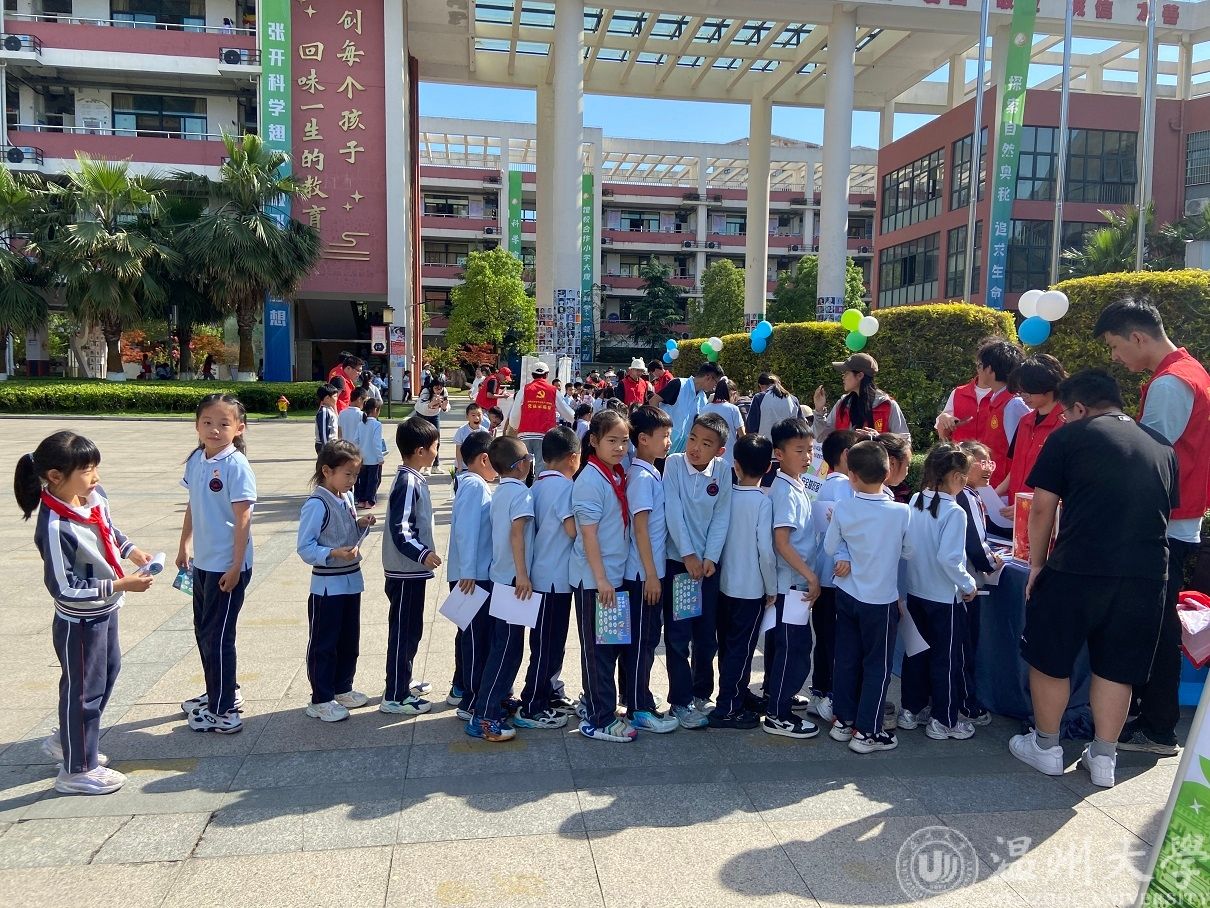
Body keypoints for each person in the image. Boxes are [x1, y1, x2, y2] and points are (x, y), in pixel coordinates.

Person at [1010, 369, 1178, 789]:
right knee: (1117, 667)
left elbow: (1043, 507)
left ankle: (1046, 746)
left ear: (1080, 408)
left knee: (1050, 658)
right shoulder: (1161, 446)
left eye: (1067, 413)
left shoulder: (1068, 437)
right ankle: (1104, 756)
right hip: (1146, 573)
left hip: (1077, 566)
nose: (1065, 419)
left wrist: (1036, 564)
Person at [1094, 298, 1210, 757]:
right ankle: (1153, 721)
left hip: (1163, 522)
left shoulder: (1171, 382)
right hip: (1177, 518)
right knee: (1157, 623)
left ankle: (1158, 728)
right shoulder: (1189, 372)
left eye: (1115, 345)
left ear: (1138, 336)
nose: (1115, 356)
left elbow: (1148, 460)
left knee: (1157, 627)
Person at [17, 431, 154, 795]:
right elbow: (65, 588)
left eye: (95, 467)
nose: (96, 477)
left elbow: (107, 528)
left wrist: (131, 550)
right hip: (79, 622)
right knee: (84, 692)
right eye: (87, 470)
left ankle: (68, 741)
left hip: (104, 610)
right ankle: (77, 770)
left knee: (107, 674)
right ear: (55, 476)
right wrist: (120, 584)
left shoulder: (92, 497)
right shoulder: (55, 526)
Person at [824, 440, 913, 753]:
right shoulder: (901, 511)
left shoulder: (844, 507)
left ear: (852, 476)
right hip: (880, 600)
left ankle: (842, 720)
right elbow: (909, 551)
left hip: (847, 593)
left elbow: (830, 546)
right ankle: (867, 731)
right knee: (878, 665)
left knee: (847, 659)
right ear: (888, 474)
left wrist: (846, 552)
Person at [176, 394, 257, 734]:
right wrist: (184, 544)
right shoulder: (197, 459)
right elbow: (193, 503)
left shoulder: (236, 465)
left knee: (218, 635)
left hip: (227, 565)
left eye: (224, 423)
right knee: (204, 630)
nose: (214, 429)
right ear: (197, 425)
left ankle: (224, 711)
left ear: (239, 428)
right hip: (204, 563)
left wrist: (236, 565)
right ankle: (219, 691)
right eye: (207, 422)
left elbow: (243, 518)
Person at [899, 444, 980, 740]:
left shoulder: (916, 500)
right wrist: (968, 584)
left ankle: (911, 710)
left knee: (916, 654)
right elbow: (949, 559)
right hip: (944, 599)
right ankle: (944, 720)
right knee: (946, 660)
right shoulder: (955, 511)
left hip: (916, 591)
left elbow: (908, 547)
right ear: (957, 477)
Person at [297, 440, 376, 722]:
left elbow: (344, 530)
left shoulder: (346, 497)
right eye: (348, 474)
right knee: (324, 643)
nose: (352, 480)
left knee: (348, 640)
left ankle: (342, 688)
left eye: (356, 474)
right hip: (327, 586)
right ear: (327, 471)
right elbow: (305, 547)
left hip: (350, 580)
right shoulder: (317, 504)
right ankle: (320, 698)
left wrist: (360, 525)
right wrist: (332, 553)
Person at [662, 412, 732, 727]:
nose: (695, 448)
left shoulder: (723, 471)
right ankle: (680, 701)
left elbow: (721, 516)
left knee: (706, 636)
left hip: (707, 568)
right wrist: (688, 555)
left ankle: (702, 693)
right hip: (680, 564)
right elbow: (673, 512)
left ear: (719, 450)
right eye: (693, 439)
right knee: (678, 636)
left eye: (705, 444)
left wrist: (710, 558)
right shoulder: (674, 465)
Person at [465, 436, 536, 743]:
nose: (531, 462)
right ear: (520, 466)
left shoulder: (501, 491)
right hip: (513, 582)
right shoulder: (521, 493)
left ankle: (492, 704)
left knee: (503, 647)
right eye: (528, 458)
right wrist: (523, 574)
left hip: (501, 578)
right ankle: (485, 715)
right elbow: (517, 535)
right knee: (507, 650)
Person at [572, 409, 637, 742]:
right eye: (612, 441)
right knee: (598, 651)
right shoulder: (590, 480)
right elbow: (589, 535)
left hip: (612, 576)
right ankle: (600, 718)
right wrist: (600, 580)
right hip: (596, 580)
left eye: (624, 441)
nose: (620, 448)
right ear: (594, 441)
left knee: (609, 646)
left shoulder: (614, 473)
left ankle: (598, 704)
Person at [760, 418, 824, 739]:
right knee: (794, 649)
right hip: (791, 585)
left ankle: (775, 696)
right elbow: (782, 542)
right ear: (779, 453)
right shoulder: (784, 490)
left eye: (809, 449)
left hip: (792, 584)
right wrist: (811, 576)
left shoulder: (794, 485)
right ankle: (778, 714)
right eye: (799, 450)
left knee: (784, 646)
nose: (807, 456)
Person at [709, 433, 777, 730]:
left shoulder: (727, 497)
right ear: (768, 467)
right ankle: (729, 706)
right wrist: (772, 587)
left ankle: (734, 694)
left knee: (727, 645)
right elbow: (766, 552)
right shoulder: (763, 502)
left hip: (723, 585)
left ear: (735, 465)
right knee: (743, 648)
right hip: (751, 589)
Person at [517, 427, 581, 727]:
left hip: (540, 575)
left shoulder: (537, 484)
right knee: (548, 644)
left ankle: (552, 691)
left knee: (546, 641)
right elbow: (572, 530)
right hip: (554, 579)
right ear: (573, 458)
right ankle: (533, 704)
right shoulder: (565, 488)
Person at [620, 406, 679, 734]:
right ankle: (638, 708)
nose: (669, 441)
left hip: (646, 572)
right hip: (643, 575)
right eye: (664, 436)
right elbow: (640, 529)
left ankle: (637, 697)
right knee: (642, 642)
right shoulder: (642, 478)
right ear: (643, 439)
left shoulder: (648, 472)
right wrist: (652, 575)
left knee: (643, 640)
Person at [380, 417, 442, 717]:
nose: (437, 451)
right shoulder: (407, 482)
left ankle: (402, 681)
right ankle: (395, 695)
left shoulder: (414, 478)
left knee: (411, 630)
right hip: (405, 572)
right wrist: (422, 554)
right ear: (420, 451)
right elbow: (401, 529)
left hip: (411, 572)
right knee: (404, 632)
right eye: (435, 446)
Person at [807, 428, 860, 724]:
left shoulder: (825, 483)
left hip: (823, 572)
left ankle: (820, 691)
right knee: (837, 641)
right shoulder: (843, 486)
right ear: (846, 455)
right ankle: (831, 696)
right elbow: (846, 528)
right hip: (837, 575)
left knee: (825, 637)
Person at [445, 431, 496, 714]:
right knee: (476, 638)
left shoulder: (470, 483)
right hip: (472, 577)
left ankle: (462, 687)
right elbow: (466, 531)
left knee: (469, 634)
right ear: (484, 459)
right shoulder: (475, 485)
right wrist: (468, 572)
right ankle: (472, 700)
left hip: (470, 573)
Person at [935, 337, 1028, 488]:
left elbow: (1021, 456)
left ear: (989, 369)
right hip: (987, 486)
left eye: (980, 365)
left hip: (1002, 490)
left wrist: (1000, 491)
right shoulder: (998, 401)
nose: (977, 370)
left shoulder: (1013, 404)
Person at [955, 439, 1001, 727]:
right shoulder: (966, 497)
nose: (987, 468)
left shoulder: (941, 494)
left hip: (941, 587)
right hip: (967, 585)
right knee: (965, 646)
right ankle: (966, 704)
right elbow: (975, 545)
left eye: (989, 461)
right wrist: (992, 563)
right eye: (980, 461)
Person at [994, 354, 1068, 514]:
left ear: (1047, 385)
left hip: (1046, 515)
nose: (1023, 396)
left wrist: (1029, 506)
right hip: (1017, 511)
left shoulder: (1067, 424)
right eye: (1021, 391)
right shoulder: (1025, 421)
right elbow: (1016, 467)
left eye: (1028, 390)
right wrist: (994, 494)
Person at [814, 353, 910, 442]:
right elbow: (820, 437)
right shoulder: (842, 404)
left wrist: (878, 439)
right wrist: (819, 410)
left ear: (860, 375)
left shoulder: (888, 405)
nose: (843, 377)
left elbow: (905, 443)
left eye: (846, 373)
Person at [505, 362, 575, 474]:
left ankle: (521, 485)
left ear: (532, 375)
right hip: (544, 435)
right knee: (541, 469)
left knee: (522, 468)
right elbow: (567, 412)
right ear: (546, 375)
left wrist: (515, 426)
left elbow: (514, 415)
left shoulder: (524, 390)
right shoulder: (553, 391)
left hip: (524, 434)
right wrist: (575, 419)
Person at [657, 360, 723, 454]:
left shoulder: (703, 399)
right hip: (660, 446)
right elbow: (653, 401)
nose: (714, 388)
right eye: (715, 383)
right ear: (708, 378)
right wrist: (658, 428)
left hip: (679, 452)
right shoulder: (679, 384)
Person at [703, 378, 745, 470]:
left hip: (708, 459)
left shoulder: (705, 409)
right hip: (729, 460)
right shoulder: (733, 409)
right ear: (733, 393)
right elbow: (743, 436)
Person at [354, 398, 387, 509]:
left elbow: (355, 440)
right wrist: (380, 457)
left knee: (363, 480)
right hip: (373, 459)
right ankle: (370, 500)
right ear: (375, 410)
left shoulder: (361, 424)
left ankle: (361, 500)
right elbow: (376, 442)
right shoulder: (377, 424)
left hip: (363, 458)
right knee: (373, 481)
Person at [412, 378, 450, 471]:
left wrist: (445, 407)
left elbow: (446, 405)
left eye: (440, 388)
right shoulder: (426, 391)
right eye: (436, 388)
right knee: (424, 440)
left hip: (435, 415)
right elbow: (421, 406)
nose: (438, 390)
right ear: (432, 387)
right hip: (422, 414)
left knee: (436, 440)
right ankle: (425, 466)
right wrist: (431, 404)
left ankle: (435, 465)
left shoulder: (444, 391)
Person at [755, 375, 801, 439]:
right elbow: (801, 424)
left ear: (760, 386)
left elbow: (752, 426)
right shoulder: (793, 399)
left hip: (765, 442)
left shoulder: (759, 398)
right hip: (788, 442)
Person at [452, 402, 490, 475]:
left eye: (479, 415)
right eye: (473, 415)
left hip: (478, 467)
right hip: (463, 466)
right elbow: (458, 449)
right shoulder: (462, 430)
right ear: (467, 417)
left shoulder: (485, 432)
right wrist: (460, 465)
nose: (477, 418)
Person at [315, 383, 338, 455]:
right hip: (325, 446)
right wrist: (326, 449)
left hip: (331, 444)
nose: (337, 399)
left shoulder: (330, 409)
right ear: (327, 398)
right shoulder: (324, 412)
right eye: (335, 396)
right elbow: (324, 432)